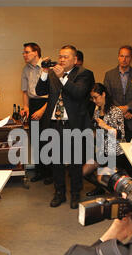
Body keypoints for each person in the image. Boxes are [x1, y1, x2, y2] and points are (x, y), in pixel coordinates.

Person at [35, 44, 94, 209]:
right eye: (60, 56)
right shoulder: (53, 73)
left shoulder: (85, 74)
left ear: (75, 60)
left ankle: (75, 194)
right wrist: (45, 73)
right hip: (55, 124)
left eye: (65, 57)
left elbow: (78, 93)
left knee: (75, 162)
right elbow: (39, 91)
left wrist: (63, 78)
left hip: (74, 124)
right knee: (57, 162)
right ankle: (59, 193)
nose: (61, 59)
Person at [83, 83, 132, 196]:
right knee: (83, 172)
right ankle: (102, 187)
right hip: (102, 150)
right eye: (92, 98)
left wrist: (105, 126)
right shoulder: (97, 111)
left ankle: (108, 189)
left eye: (96, 97)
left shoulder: (115, 111)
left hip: (115, 152)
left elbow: (120, 135)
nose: (94, 100)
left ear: (103, 94)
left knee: (101, 176)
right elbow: (97, 133)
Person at [20, 42, 52, 185]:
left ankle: (50, 173)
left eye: (27, 52)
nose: (24, 55)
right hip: (33, 104)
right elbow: (25, 91)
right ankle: (40, 171)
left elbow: (54, 93)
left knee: (48, 140)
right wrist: (26, 107)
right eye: (24, 52)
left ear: (35, 53)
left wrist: (42, 110)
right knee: (36, 140)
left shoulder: (47, 68)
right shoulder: (25, 69)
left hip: (46, 104)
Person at [104, 45, 132, 142]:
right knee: (114, 152)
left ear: (131, 58)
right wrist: (120, 110)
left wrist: (127, 108)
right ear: (118, 57)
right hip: (114, 121)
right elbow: (107, 96)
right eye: (122, 56)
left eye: (127, 57)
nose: (124, 59)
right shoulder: (109, 75)